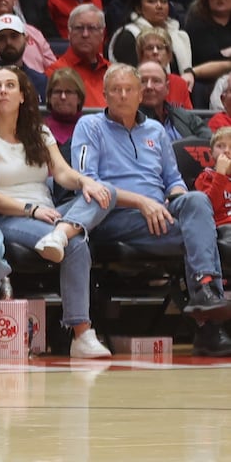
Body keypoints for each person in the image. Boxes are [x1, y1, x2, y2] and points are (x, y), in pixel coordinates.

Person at [71, 64, 231, 355]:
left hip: (159, 215)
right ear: (104, 95)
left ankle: (205, 290)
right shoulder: (89, 126)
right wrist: (143, 203)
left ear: (139, 94)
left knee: (197, 202)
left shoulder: (155, 130)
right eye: (115, 90)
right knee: (201, 236)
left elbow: (173, 180)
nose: (122, 95)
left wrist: (174, 201)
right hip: (111, 215)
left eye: (128, 89)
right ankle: (209, 326)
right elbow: (89, 184)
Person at [0, 66, 116, 358]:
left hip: (50, 214)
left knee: (106, 191)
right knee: (78, 243)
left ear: (22, 96)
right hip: (8, 216)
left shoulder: (39, 132)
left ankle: (62, 232)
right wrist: (31, 210)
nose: (3, 90)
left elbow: (62, 173)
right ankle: (82, 334)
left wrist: (84, 181)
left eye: (10, 85)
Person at [47, 3, 110, 106]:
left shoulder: (112, 72)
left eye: (92, 28)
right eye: (79, 28)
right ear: (69, 33)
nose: (85, 34)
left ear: (102, 34)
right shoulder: (55, 72)